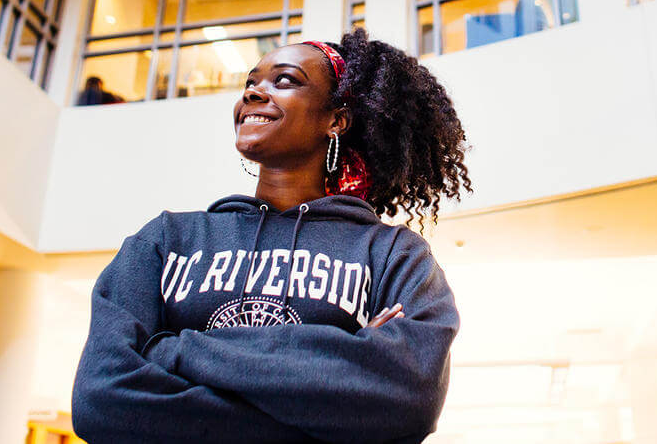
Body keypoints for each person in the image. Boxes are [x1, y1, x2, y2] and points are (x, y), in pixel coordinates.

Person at [71, 28, 472, 443]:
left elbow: (408, 397)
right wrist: (341, 369)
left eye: (284, 81)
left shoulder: (391, 254)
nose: (253, 93)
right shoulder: (168, 239)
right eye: (250, 82)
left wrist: (169, 351)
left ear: (336, 120)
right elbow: (100, 399)